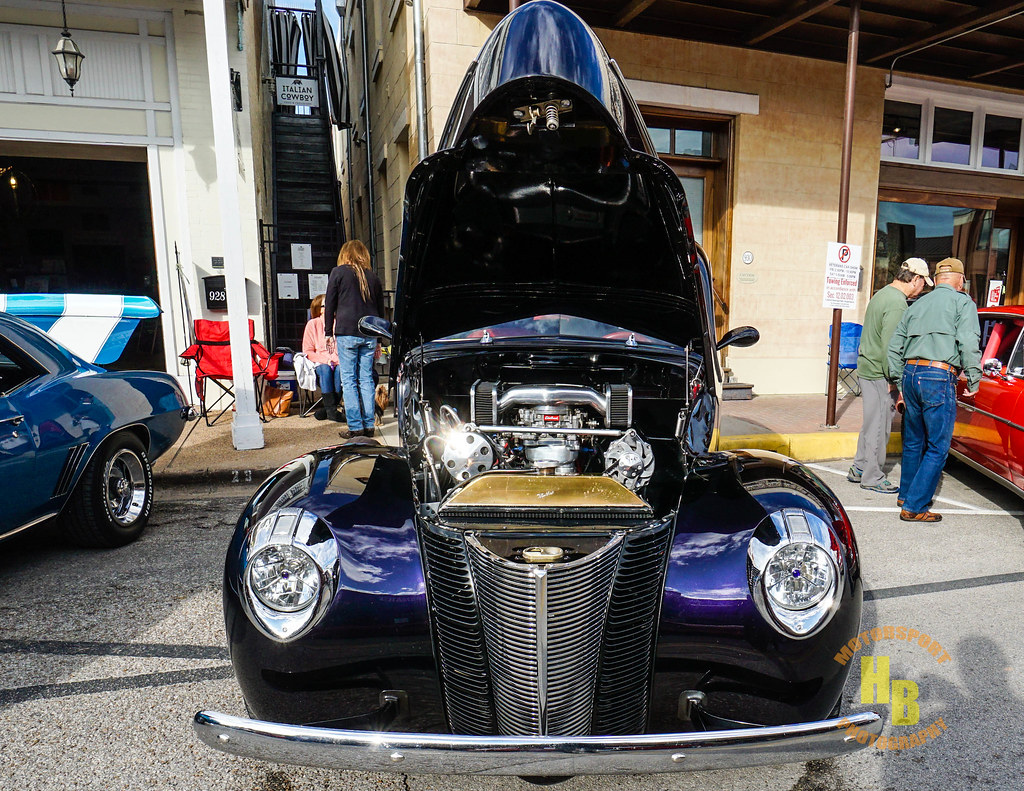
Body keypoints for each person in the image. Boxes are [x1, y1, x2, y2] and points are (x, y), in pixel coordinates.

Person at [887, 257, 981, 522]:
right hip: (938, 375)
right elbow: (968, 341)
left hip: (910, 373)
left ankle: (906, 494)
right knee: (938, 446)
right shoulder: (963, 302)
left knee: (914, 440)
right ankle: (915, 507)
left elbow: (895, 347)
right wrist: (974, 378)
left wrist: (898, 381)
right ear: (960, 279)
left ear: (937, 279)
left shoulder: (917, 303)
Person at [848, 258, 932, 493]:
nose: (922, 288)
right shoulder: (897, 304)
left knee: (871, 422)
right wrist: (895, 381)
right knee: (879, 426)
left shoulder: (883, 294)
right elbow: (891, 348)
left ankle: (859, 467)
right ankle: (872, 477)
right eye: (923, 283)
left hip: (869, 368)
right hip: (880, 373)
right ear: (915, 278)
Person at [324, 240, 385, 438]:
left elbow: (330, 305)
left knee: (349, 381)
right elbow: (380, 311)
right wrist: (379, 340)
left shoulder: (338, 273)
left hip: (347, 331)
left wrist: (327, 332)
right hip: (369, 332)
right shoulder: (373, 277)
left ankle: (355, 427)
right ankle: (369, 426)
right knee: (366, 379)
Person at [301, 293, 343, 421]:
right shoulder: (312, 324)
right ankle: (331, 410)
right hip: (320, 363)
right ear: (319, 308)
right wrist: (326, 360)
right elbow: (307, 351)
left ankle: (329, 409)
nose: (330, 307)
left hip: (339, 362)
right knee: (325, 369)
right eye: (326, 305)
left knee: (341, 370)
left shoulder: (341, 323)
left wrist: (337, 360)